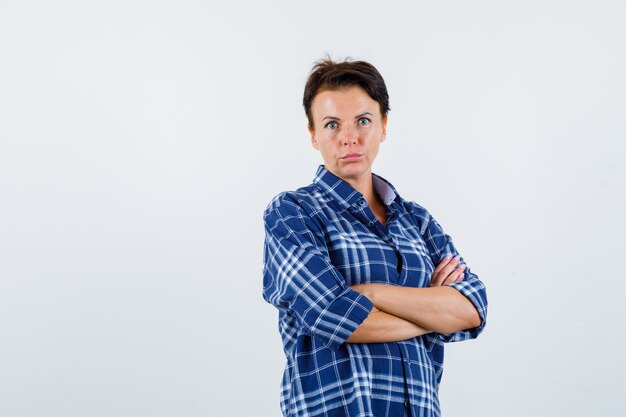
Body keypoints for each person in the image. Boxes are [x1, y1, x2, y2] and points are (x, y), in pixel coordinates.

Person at [262, 57, 488, 417]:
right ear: (313, 134)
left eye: (363, 121)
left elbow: (472, 309)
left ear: (383, 126)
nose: (349, 137)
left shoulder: (417, 221)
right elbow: (331, 313)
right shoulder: (293, 213)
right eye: (332, 124)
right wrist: (430, 311)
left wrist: (370, 294)